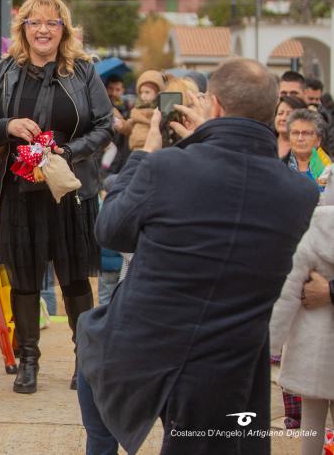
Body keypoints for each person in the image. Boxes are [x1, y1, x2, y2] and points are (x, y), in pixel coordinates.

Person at [76, 58, 320, 455]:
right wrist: (203, 142)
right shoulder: (300, 193)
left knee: (90, 365)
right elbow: (239, 185)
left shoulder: (166, 167)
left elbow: (110, 230)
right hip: (227, 367)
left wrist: (145, 155)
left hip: (140, 347)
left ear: (217, 106)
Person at [0, 0, 113, 394]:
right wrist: (9, 127)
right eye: (35, 22)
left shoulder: (83, 71)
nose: (44, 29)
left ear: (64, 29)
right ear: (24, 29)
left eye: (52, 22)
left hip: (70, 192)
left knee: (73, 281)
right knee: (25, 280)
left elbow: (105, 125)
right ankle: (28, 361)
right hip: (18, 192)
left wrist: (69, 151)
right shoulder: (4, 70)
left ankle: (83, 363)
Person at [269, 204, 334, 455]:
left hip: (312, 350)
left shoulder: (311, 231)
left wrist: (270, 343)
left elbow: (288, 292)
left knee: (311, 422)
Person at [283, 108, 330, 191]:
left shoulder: (328, 169)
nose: (300, 138)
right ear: (289, 137)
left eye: (307, 133)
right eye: (295, 133)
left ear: (318, 140)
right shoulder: (279, 166)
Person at [123, 69, 164, 151]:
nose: (143, 96)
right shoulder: (136, 109)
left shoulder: (159, 111)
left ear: (157, 93)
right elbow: (129, 127)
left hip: (153, 146)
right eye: (141, 92)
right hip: (135, 146)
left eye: (147, 92)